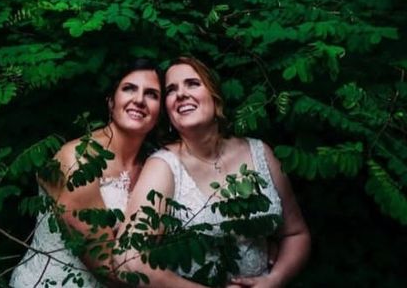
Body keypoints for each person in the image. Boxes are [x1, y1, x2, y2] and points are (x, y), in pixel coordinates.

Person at [116, 56, 310, 287]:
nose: (181, 94)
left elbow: (296, 234)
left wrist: (275, 279)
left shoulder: (260, 153)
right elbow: (128, 258)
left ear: (215, 95)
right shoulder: (163, 167)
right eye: (171, 90)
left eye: (192, 83)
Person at [10, 59, 163, 287]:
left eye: (151, 94)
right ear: (111, 102)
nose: (139, 100)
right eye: (129, 88)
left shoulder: (154, 167)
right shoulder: (77, 161)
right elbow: (108, 266)